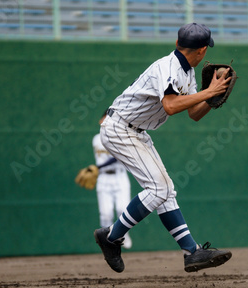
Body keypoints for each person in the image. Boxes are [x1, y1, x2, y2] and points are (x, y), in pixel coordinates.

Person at [94, 23, 233, 273]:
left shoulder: (187, 71)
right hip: (120, 128)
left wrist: (211, 97)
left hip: (135, 131)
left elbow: (193, 113)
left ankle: (192, 252)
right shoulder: (167, 67)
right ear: (201, 50)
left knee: (166, 191)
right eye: (206, 49)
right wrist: (207, 92)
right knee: (159, 188)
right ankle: (111, 237)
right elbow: (170, 106)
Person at [93, 110, 132, 249]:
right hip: (103, 178)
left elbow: (116, 157)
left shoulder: (118, 137)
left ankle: (122, 234)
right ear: (101, 120)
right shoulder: (96, 139)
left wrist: (98, 167)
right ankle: (108, 244)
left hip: (120, 175)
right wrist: (98, 169)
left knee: (122, 209)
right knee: (105, 213)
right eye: (106, 118)